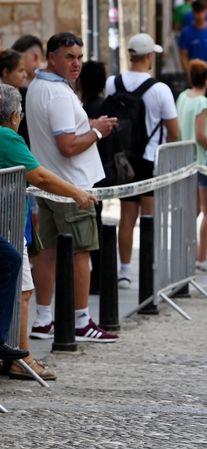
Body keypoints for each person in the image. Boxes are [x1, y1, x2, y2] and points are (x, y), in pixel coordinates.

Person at [26, 32, 118, 343]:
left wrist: (86, 125)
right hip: (71, 185)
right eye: (69, 57)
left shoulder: (39, 86)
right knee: (81, 253)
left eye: (79, 57)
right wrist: (98, 132)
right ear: (51, 58)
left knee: (47, 253)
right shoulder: (60, 95)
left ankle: (42, 320)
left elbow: (61, 134)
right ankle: (81, 321)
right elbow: (67, 145)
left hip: (49, 184)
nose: (76, 63)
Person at [0, 83, 96, 378]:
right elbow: (40, 176)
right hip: (8, 225)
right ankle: (20, 356)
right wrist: (77, 194)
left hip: (10, 223)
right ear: (16, 116)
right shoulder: (7, 137)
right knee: (22, 287)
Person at [105, 33, 180, 289]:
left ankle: (124, 271)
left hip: (122, 157)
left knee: (127, 216)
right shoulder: (160, 89)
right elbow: (175, 131)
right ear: (149, 56)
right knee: (150, 216)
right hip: (150, 159)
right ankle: (150, 268)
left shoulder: (112, 83)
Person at [176, 59, 207, 273]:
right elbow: (201, 133)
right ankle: (201, 256)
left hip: (186, 159)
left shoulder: (182, 97)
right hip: (203, 161)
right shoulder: (204, 103)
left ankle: (187, 251)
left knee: (193, 209)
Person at [76, 60, 108, 295]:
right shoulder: (95, 104)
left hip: (92, 173)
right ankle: (98, 276)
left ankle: (97, 278)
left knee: (92, 226)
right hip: (97, 171)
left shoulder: (88, 107)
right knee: (94, 224)